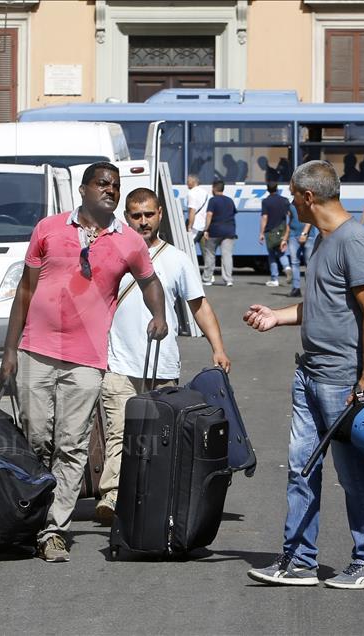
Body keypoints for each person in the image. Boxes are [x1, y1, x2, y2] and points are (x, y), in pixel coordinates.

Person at [0, 162, 168, 563]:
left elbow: (150, 282)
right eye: (102, 184)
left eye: (115, 186)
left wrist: (159, 315)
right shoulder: (48, 229)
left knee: (72, 445)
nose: (110, 190)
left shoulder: (129, 241)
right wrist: (9, 350)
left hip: (87, 360)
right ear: (83, 189)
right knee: (36, 439)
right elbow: (26, 289)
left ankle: (53, 530)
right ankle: (30, 516)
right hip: (35, 351)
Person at [244, 160, 364, 590]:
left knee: (352, 473)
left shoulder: (353, 240)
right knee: (301, 468)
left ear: (309, 197)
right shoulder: (324, 241)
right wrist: (278, 316)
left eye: (294, 197)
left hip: (341, 379)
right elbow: (323, 305)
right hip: (309, 373)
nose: (292, 204)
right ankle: (298, 560)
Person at [95, 188, 230, 523]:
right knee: (120, 433)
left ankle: (150, 499)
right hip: (119, 363)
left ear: (160, 215)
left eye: (149, 215)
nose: (143, 221)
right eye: (136, 215)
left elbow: (199, 306)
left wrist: (218, 348)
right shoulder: (111, 252)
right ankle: (113, 497)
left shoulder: (177, 260)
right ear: (126, 217)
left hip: (162, 366)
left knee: (157, 439)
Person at [202, 180, 238, 287]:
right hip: (229, 231)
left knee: (210, 254)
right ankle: (228, 280)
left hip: (214, 231)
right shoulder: (230, 200)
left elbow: (209, 214)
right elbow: (233, 214)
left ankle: (207, 279)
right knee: (227, 255)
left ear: (214, 188)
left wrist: (206, 229)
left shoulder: (213, 200)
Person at [259, 181, 290, 287]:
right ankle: (287, 267)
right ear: (277, 189)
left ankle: (274, 279)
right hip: (282, 230)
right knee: (282, 252)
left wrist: (261, 233)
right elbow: (290, 214)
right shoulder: (284, 200)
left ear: (268, 189)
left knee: (272, 255)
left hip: (270, 232)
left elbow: (264, 217)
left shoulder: (266, 202)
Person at [285, 203, 304, 297]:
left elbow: (311, 220)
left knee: (310, 264)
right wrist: (285, 239)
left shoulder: (308, 202)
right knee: (294, 263)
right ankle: (296, 288)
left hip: (308, 237)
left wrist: (304, 234)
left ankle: (312, 290)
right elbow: (290, 221)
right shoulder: (291, 205)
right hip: (293, 236)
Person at [186, 173, 210, 242]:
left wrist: (189, 226)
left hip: (195, 226)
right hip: (204, 226)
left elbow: (192, 211)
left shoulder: (191, 193)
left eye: (188, 181)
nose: (187, 183)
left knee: (189, 245)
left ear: (193, 182)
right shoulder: (206, 193)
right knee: (205, 248)